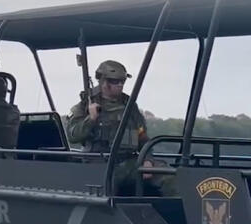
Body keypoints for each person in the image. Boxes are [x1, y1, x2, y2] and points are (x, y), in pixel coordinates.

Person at [68, 60, 173, 196]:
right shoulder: (85, 104)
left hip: (128, 162)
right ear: (104, 82)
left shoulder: (129, 105)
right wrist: (91, 118)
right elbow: (73, 135)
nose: (120, 85)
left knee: (168, 175)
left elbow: (142, 137)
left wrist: (147, 160)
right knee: (107, 191)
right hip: (99, 165)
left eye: (122, 81)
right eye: (115, 81)